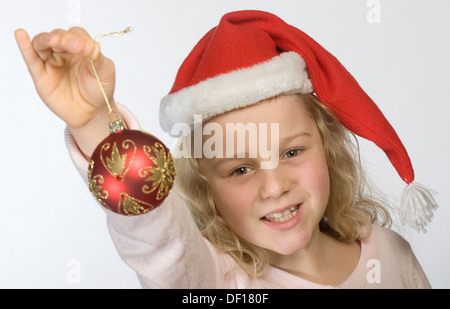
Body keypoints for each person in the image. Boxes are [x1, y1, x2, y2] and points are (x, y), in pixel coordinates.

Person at [15, 10, 436, 288]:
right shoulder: (217, 283)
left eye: (291, 153)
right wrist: (92, 123)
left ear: (327, 146)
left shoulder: (391, 256)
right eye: (240, 169)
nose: (274, 187)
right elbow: (162, 247)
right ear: (205, 187)